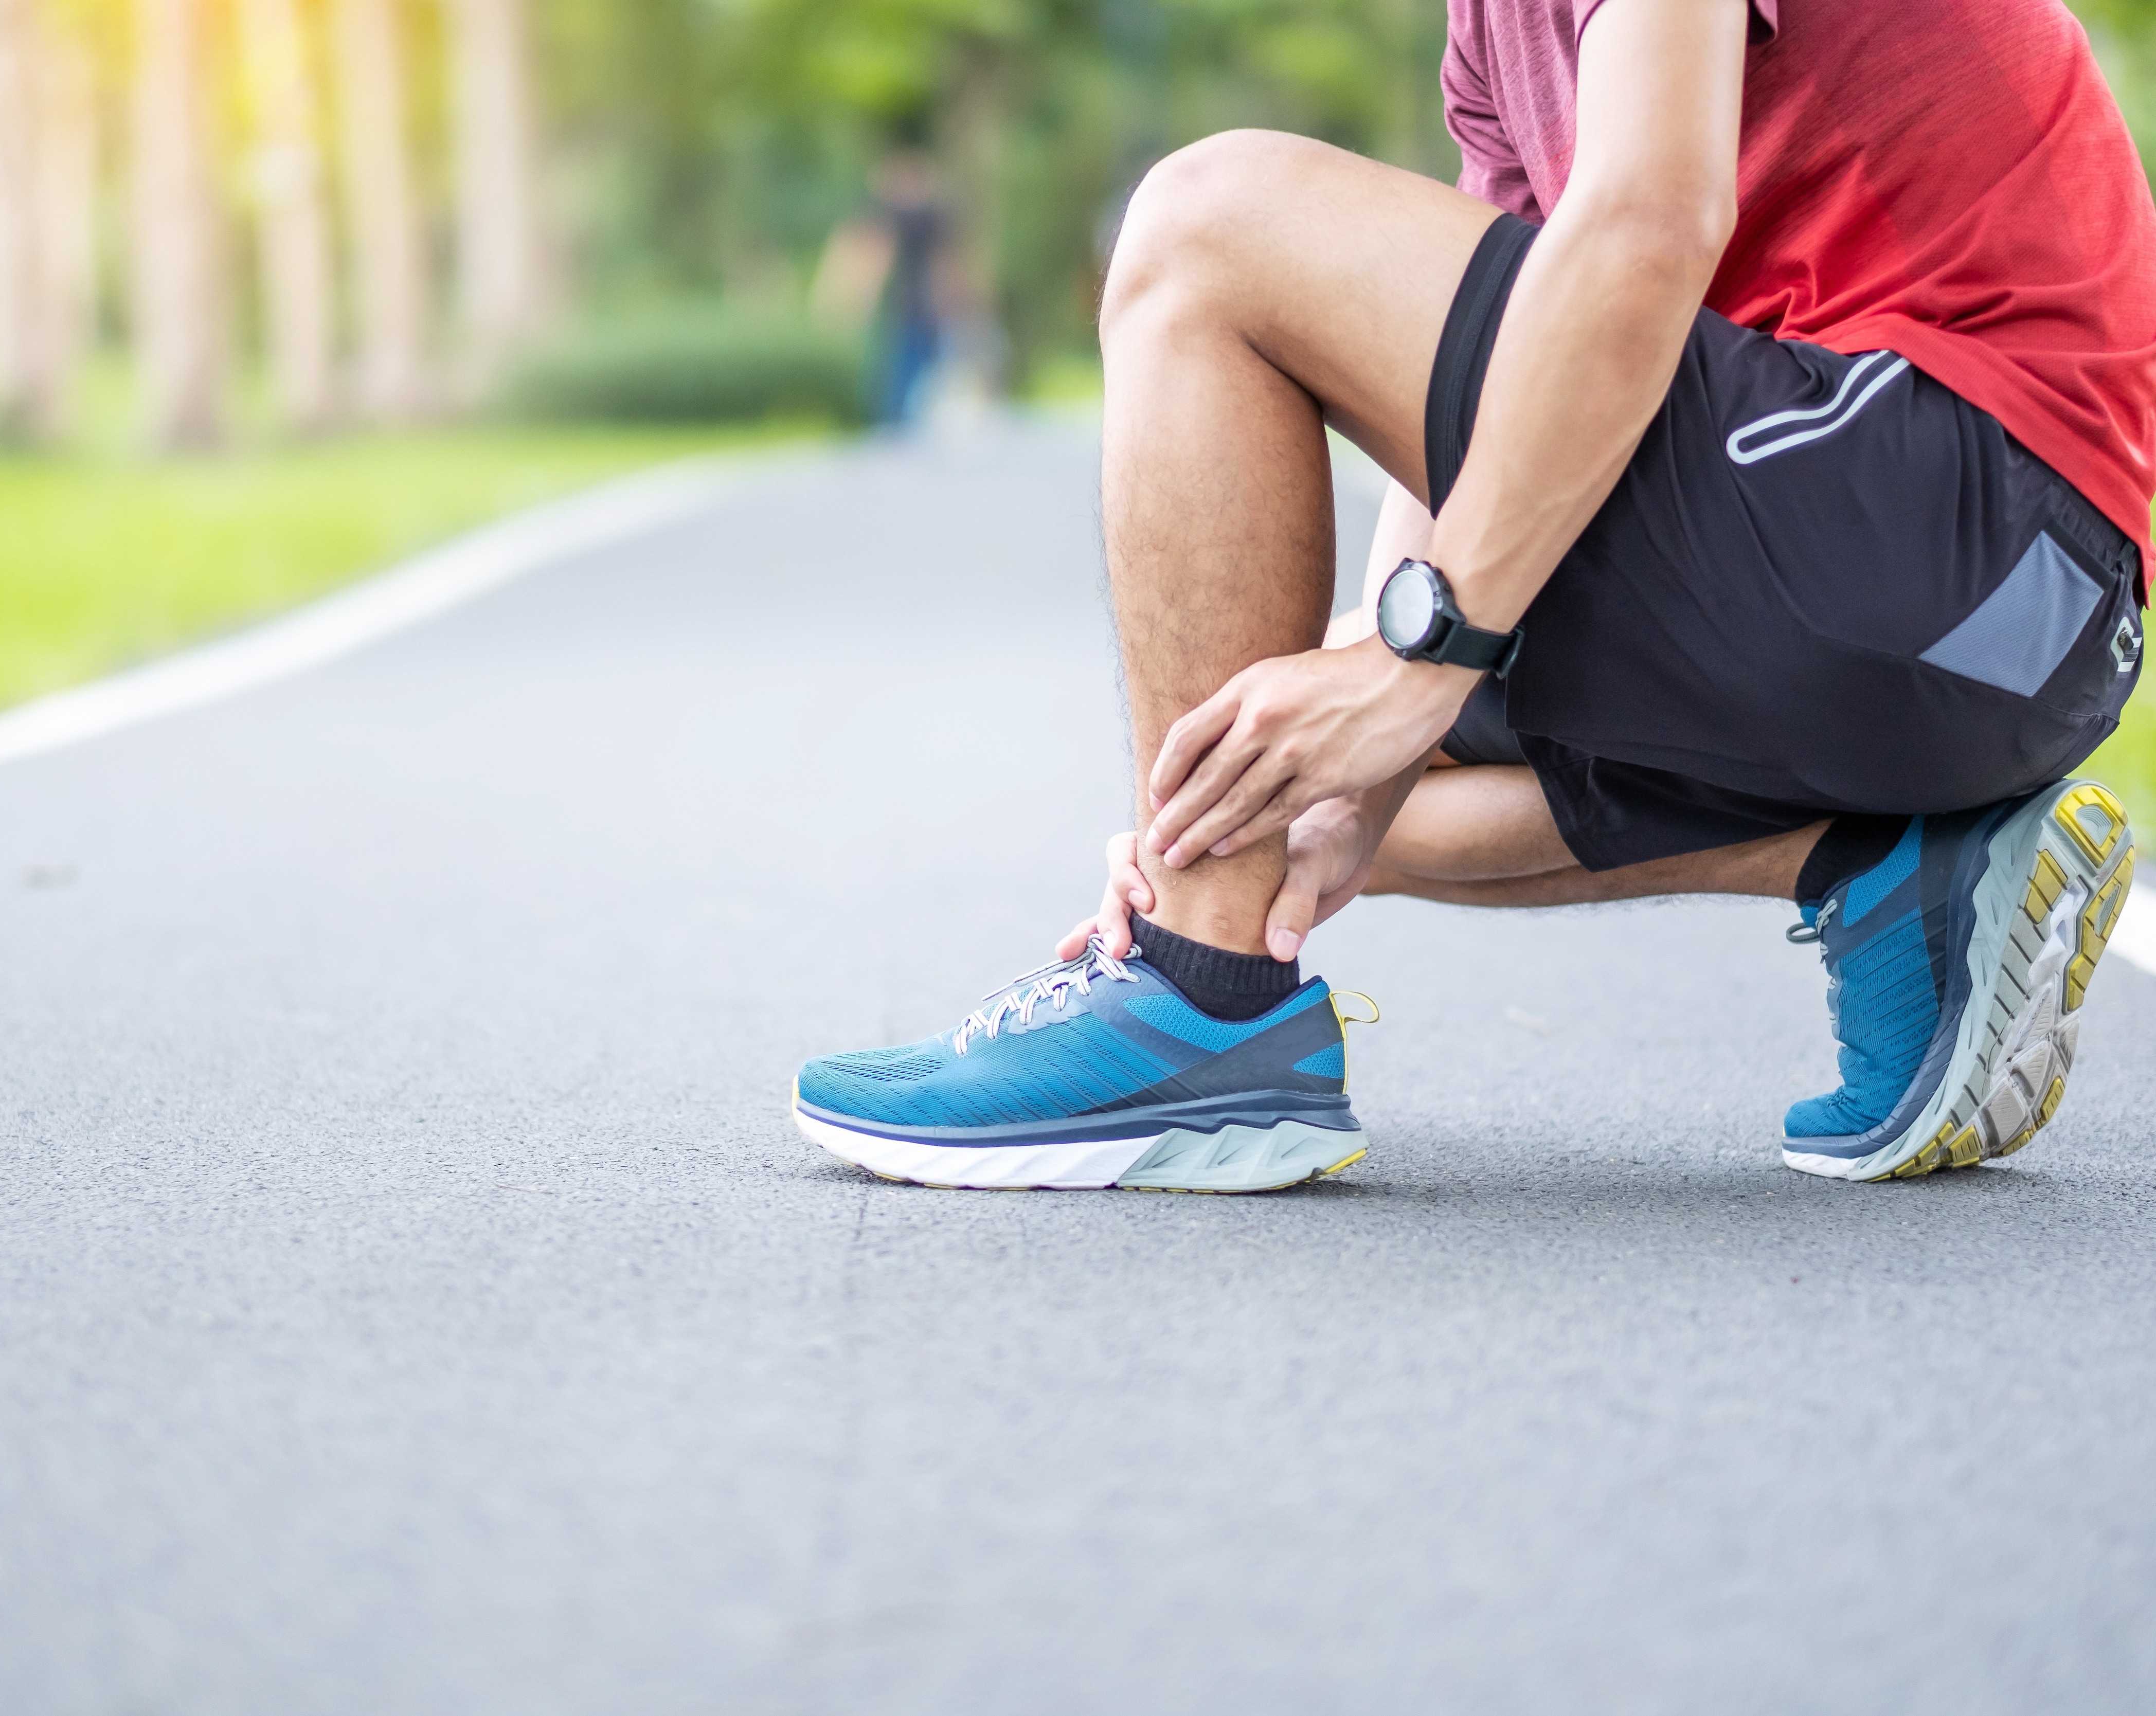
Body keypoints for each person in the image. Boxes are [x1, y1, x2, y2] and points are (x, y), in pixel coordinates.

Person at [790, 0, 2152, 1191]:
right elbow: (1483, 421)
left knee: (1205, 226)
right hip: (2005, 635)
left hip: (1956, 505)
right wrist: (1315, 789)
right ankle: (1896, 868)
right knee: (1283, 737)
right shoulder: (1487, 37)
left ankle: (1196, 1009)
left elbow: (1643, 227)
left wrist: (1427, 660)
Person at [812, 147, 953, 428]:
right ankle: (898, 428)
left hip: (917, 311)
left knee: (908, 380)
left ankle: (898, 428)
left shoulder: (915, 217)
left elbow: (877, 256)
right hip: (913, 311)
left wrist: (853, 298)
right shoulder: (919, 216)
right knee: (907, 381)